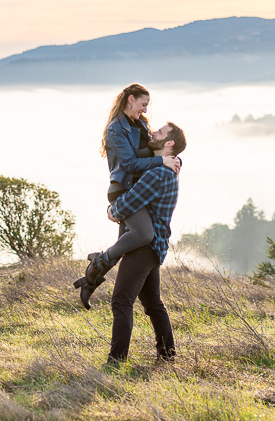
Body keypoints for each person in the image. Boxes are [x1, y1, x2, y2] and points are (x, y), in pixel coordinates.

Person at [74, 84, 180, 309]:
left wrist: (175, 159)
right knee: (143, 235)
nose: (145, 110)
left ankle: (90, 281)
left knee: (125, 246)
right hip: (123, 189)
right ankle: (97, 263)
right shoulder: (116, 129)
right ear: (130, 99)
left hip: (137, 190)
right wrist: (163, 161)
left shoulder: (141, 124)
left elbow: (156, 148)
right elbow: (131, 163)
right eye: (143, 105)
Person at [105, 121, 186, 363]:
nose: (153, 132)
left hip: (143, 248)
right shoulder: (166, 169)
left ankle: (116, 360)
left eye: (159, 132)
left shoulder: (158, 173)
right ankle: (167, 356)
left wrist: (112, 210)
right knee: (152, 303)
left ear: (169, 143)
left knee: (121, 300)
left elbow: (130, 203)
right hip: (155, 247)